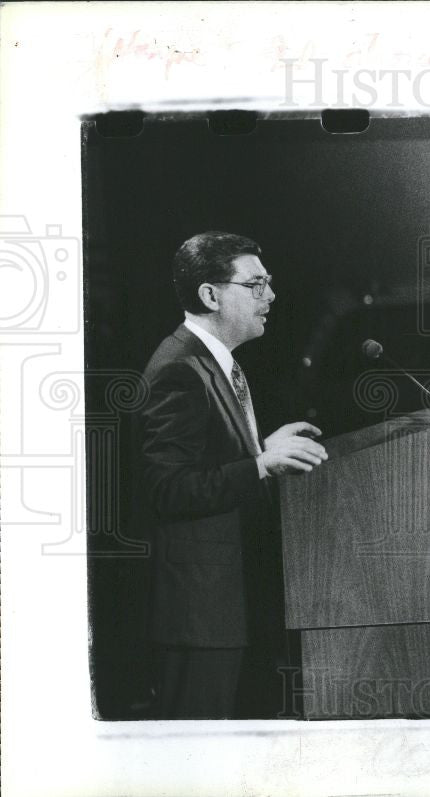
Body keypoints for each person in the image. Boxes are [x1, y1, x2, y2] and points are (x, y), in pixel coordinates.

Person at [139, 231, 328, 719]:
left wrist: (260, 448)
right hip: (200, 616)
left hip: (227, 610)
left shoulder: (210, 363)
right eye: (256, 284)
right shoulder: (177, 370)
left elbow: (204, 463)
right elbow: (167, 489)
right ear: (210, 295)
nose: (271, 296)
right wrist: (260, 465)